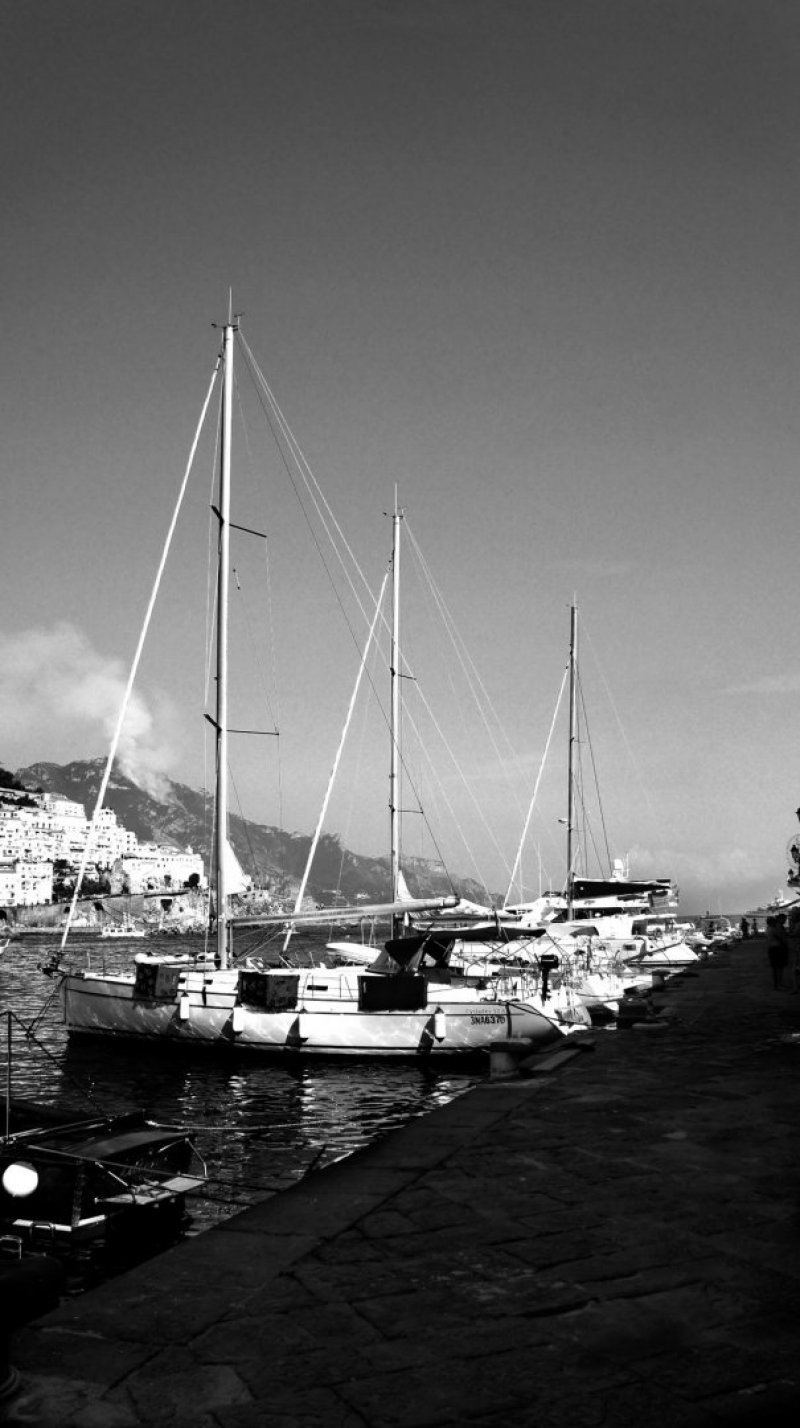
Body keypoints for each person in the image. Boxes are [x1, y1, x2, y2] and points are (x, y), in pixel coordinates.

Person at [765, 914, 789, 990]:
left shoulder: (768, 929)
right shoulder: (774, 929)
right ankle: (779, 985)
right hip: (777, 949)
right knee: (779, 968)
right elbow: (782, 937)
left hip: (772, 949)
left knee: (775, 968)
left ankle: (777, 984)